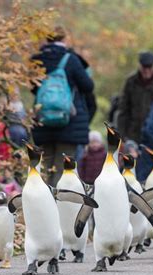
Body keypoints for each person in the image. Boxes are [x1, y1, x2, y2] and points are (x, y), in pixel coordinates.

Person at [31, 26, 94, 186]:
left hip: (43, 120)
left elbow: (33, 88)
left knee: (44, 166)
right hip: (69, 121)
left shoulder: (37, 60)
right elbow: (87, 86)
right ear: (64, 39)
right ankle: (59, 206)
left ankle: (43, 204)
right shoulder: (71, 59)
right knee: (63, 168)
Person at [117, 51, 153, 143]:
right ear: (139, 66)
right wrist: (122, 136)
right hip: (134, 134)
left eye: (149, 67)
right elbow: (123, 110)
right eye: (144, 67)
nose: (147, 71)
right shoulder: (130, 82)